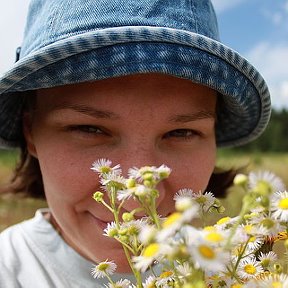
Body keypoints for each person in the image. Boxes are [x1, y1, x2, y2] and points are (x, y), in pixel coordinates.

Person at [0, 0, 271, 287]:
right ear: (31, 133)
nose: (136, 197)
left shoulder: (233, 266)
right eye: (89, 129)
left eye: (180, 133)